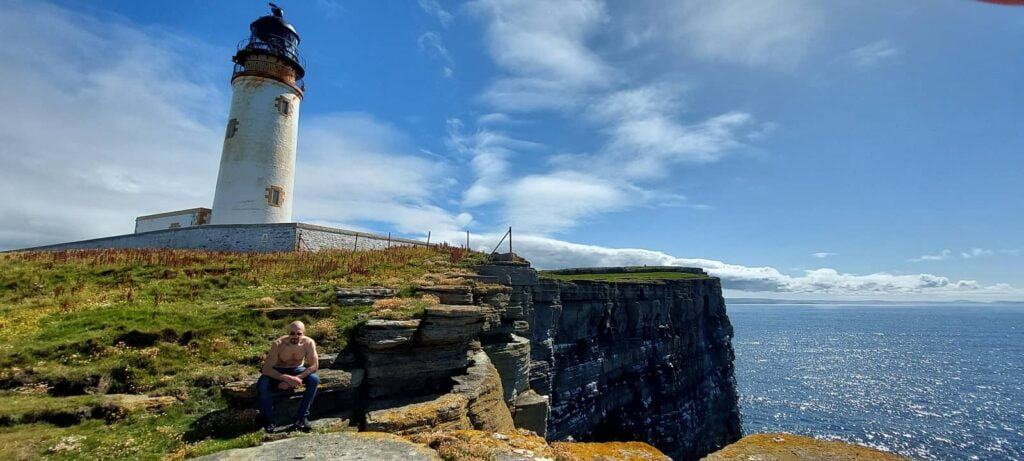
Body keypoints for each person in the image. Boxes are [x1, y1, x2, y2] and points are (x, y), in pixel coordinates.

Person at [256, 320, 319, 432]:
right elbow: (266, 369)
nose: (295, 336)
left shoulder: (308, 343)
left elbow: (314, 366)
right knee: (262, 384)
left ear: (303, 333)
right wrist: (286, 379)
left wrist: (297, 378)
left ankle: (302, 417)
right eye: (292, 333)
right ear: (287, 333)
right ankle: (269, 420)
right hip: (278, 370)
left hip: (297, 370)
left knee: (314, 379)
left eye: (298, 333)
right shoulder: (279, 344)